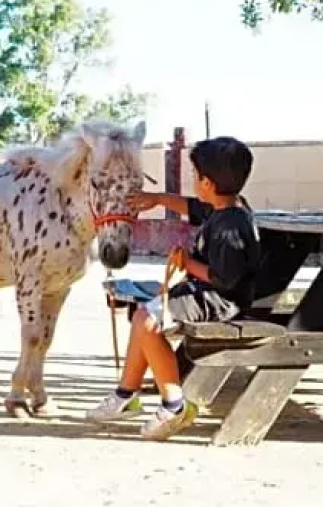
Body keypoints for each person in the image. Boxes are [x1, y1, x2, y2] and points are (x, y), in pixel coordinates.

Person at [86, 136, 261, 440]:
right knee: (143, 313)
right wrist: (157, 199)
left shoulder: (230, 226)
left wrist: (186, 263)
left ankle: (174, 405)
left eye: (194, 174)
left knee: (148, 320)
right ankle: (126, 394)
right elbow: (192, 207)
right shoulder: (223, 207)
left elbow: (224, 279)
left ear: (206, 183)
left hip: (220, 301)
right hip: (209, 293)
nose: (192, 179)